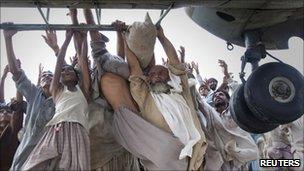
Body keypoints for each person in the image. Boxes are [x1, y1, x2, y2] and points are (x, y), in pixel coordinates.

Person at [113, 26, 207, 170]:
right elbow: (134, 67)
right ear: (148, 80)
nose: (156, 75)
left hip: (192, 156)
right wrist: (125, 39)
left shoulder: (181, 91)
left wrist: (161, 36)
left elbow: (174, 61)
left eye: (161, 72)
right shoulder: (145, 96)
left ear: (170, 76)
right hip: (163, 159)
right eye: (152, 74)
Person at [22, 29, 91, 170]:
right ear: (58, 78)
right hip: (56, 128)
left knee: (76, 166)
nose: (65, 71)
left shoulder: (83, 90)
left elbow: (82, 59)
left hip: (78, 129)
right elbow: (60, 60)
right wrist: (66, 39)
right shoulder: (57, 90)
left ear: (77, 77)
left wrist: (84, 37)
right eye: (63, 71)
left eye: (70, 70)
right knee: (34, 164)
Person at [80, 9, 140, 170]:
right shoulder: (100, 59)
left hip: (123, 111)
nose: (99, 39)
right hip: (111, 113)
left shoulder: (113, 61)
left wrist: (120, 34)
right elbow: (93, 31)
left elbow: (120, 56)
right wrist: (85, 10)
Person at [3, 28, 56, 171]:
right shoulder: (34, 95)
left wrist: (56, 48)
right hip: (25, 158)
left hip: (50, 159)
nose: (46, 76)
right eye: (44, 75)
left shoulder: (61, 98)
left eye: (51, 75)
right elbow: (16, 73)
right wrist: (8, 39)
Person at [198, 89, 259, 170]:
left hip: (239, 160)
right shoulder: (212, 114)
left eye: (221, 94)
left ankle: (233, 151)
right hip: (220, 160)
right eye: (215, 96)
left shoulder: (235, 112)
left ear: (228, 99)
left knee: (254, 153)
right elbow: (201, 103)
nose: (217, 96)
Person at [0, 66, 25, 171]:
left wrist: (18, 75)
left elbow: (18, 106)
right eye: (1, 111)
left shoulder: (13, 131)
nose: (5, 112)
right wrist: (3, 78)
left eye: (9, 111)